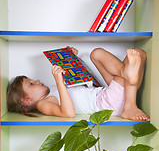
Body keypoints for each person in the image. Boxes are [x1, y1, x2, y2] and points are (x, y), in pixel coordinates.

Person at [7, 47, 150, 121]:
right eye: (31, 84)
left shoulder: (50, 92)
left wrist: (70, 59)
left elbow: (80, 82)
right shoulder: (42, 104)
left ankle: (127, 75)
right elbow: (68, 113)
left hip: (104, 93)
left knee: (98, 53)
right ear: (26, 100)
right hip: (106, 104)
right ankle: (130, 106)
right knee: (134, 60)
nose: (37, 81)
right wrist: (59, 81)